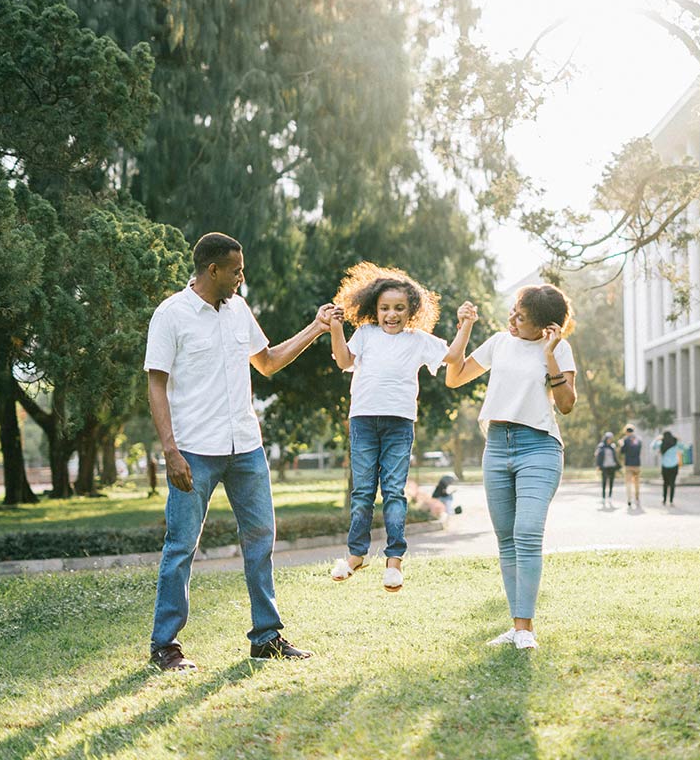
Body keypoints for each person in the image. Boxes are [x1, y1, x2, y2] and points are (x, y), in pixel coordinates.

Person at [144, 232, 334, 671]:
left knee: (261, 540)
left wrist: (316, 327)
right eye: (236, 270)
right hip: (194, 450)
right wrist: (170, 451)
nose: (241, 277)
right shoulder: (171, 314)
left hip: (246, 447)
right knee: (181, 546)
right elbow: (155, 384)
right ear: (213, 270)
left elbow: (266, 362)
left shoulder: (239, 310)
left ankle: (266, 637)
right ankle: (165, 645)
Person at [328, 262, 477, 592]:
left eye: (399, 308)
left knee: (394, 491)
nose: (391, 315)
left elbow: (453, 356)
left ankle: (394, 561)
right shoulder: (365, 334)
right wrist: (336, 329)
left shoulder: (418, 340)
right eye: (384, 308)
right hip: (364, 421)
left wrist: (465, 325)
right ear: (374, 309)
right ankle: (356, 555)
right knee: (363, 491)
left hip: (399, 423)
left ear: (412, 311)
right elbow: (343, 361)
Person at [446, 284, 576, 650]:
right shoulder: (500, 342)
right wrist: (465, 328)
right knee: (507, 541)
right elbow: (453, 378)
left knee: (528, 531)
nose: (513, 320)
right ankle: (518, 627)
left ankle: (525, 630)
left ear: (546, 327)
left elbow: (566, 404)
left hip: (539, 447)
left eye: (522, 317)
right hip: (497, 446)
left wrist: (549, 354)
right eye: (515, 312)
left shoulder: (559, 348)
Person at [651, 430, 683, 505]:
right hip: (674, 465)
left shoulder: (661, 443)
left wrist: (656, 439)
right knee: (672, 483)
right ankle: (671, 500)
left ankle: (664, 499)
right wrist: (679, 439)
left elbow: (652, 447)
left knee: (665, 483)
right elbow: (683, 447)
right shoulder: (675, 443)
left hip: (665, 466)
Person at [619, 424, 643, 508]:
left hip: (628, 464)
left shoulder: (625, 440)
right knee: (636, 482)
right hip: (637, 464)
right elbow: (639, 450)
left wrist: (621, 444)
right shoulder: (638, 439)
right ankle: (637, 498)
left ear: (626, 432)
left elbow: (622, 451)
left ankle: (629, 499)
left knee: (628, 483)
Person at [594, 431, 620, 504]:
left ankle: (610, 496)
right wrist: (598, 466)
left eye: (611, 439)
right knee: (604, 482)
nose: (610, 440)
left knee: (611, 482)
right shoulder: (601, 446)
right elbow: (597, 456)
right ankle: (603, 497)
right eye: (608, 438)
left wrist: (618, 466)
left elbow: (615, 457)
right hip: (604, 467)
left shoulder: (613, 446)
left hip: (612, 466)